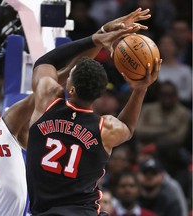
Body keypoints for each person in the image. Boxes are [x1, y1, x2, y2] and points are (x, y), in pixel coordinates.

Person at [26, 8, 162, 216]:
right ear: (99, 95)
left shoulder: (47, 102)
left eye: (70, 74)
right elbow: (128, 127)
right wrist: (141, 88)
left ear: (70, 87)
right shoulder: (105, 127)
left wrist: (96, 38)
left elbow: (45, 63)